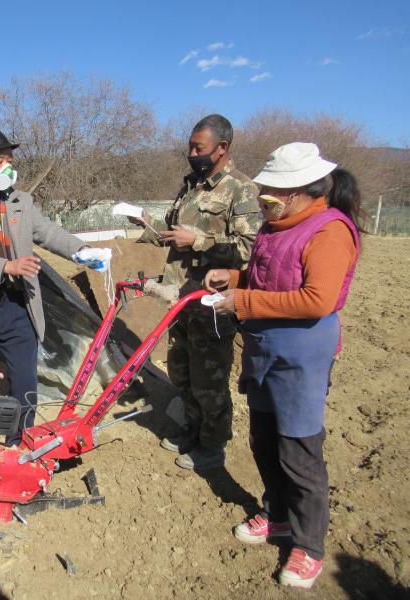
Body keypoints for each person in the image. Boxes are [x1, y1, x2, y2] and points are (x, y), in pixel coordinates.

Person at [204, 142, 363, 589]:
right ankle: (276, 514)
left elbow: (318, 298)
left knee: (299, 451)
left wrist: (243, 300)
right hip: (265, 349)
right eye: (263, 193)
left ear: (301, 192)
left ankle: (309, 545)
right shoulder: (278, 226)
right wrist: (234, 279)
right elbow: (268, 279)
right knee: (264, 440)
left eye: (271, 195)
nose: (262, 202)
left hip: (300, 357)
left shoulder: (329, 231)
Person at [0, 125, 94, 440]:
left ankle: (20, 444)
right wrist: (7, 265)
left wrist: (84, 251)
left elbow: (49, 232)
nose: (7, 167)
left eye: (10, 160)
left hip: (18, 305)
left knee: (25, 383)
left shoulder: (20, 200)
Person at [130, 114, 261, 470]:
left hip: (211, 303)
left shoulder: (240, 188)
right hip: (180, 300)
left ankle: (212, 446)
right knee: (182, 371)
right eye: (190, 146)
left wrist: (199, 240)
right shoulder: (191, 185)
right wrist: (147, 223)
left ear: (222, 148)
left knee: (209, 380)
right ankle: (192, 428)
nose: (192, 153)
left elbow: (251, 247)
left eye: (198, 147)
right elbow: (175, 234)